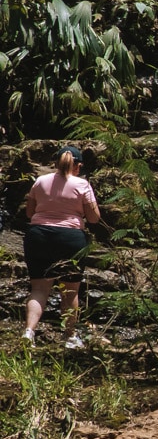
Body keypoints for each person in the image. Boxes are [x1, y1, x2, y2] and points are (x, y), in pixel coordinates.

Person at [20, 144, 99, 348]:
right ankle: (70, 337)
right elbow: (94, 218)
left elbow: (30, 213)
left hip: (38, 237)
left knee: (39, 289)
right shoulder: (82, 184)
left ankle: (29, 332)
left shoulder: (39, 181)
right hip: (70, 238)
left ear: (56, 163)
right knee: (69, 291)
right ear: (78, 166)